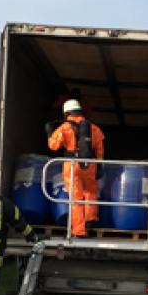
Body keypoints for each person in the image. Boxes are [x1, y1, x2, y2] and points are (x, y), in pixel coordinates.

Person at [47, 99, 105, 238]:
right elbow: (100, 150)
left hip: (72, 165)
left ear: (67, 113)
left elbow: (53, 146)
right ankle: (90, 221)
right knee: (91, 192)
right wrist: (99, 165)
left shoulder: (64, 128)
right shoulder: (94, 128)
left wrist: (49, 133)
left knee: (76, 198)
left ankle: (79, 231)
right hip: (90, 164)